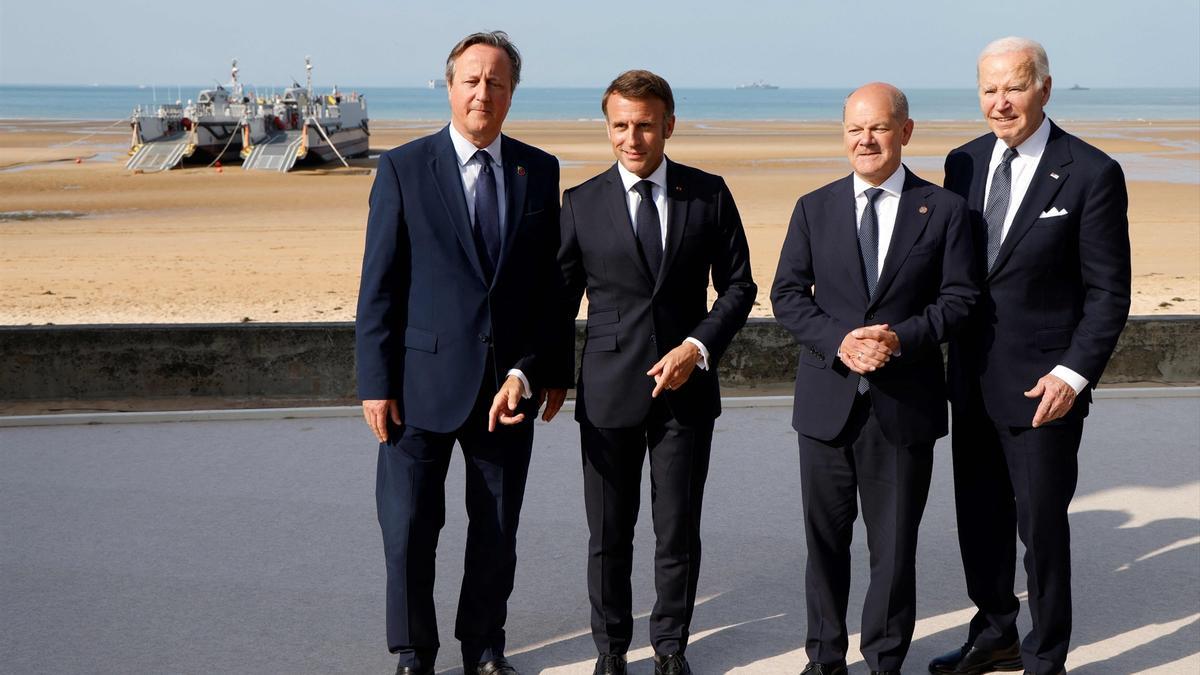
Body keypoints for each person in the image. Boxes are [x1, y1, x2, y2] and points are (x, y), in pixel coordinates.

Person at [355, 31, 571, 675]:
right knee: (410, 530)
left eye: (496, 82)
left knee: (496, 532)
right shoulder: (402, 167)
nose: (483, 92)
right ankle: (414, 651)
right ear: (449, 87)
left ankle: (483, 648)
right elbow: (380, 284)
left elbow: (547, 291)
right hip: (417, 386)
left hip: (506, 389)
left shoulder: (541, 170)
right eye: (472, 80)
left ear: (512, 93)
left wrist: (541, 369)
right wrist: (375, 381)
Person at [930, 37, 1131, 675]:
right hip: (969, 378)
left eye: (1013, 87)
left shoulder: (1092, 171)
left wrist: (1073, 374)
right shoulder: (960, 163)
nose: (1000, 102)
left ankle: (1047, 656)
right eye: (989, 89)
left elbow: (1108, 291)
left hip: (1047, 387)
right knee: (979, 523)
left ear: (1044, 87)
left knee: (1040, 530)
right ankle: (994, 634)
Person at [770, 82, 978, 675]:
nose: (866, 140)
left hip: (902, 403)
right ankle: (824, 658)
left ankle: (885, 659)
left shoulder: (943, 211)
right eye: (855, 129)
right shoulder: (814, 207)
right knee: (825, 545)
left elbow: (961, 300)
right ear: (843, 135)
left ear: (905, 133)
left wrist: (898, 338)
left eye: (880, 128)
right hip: (826, 404)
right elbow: (787, 296)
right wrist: (841, 341)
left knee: (893, 549)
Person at [557, 69, 756, 675]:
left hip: (687, 393)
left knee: (677, 533)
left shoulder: (709, 193)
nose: (632, 137)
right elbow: (557, 303)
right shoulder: (581, 203)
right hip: (607, 393)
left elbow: (740, 286)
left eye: (645, 125)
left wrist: (696, 347)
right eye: (620, 125)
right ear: (608, 127)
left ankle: (670, 648)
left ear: (669, 124)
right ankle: (611, 651)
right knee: (609, 537)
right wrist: (530, 371)